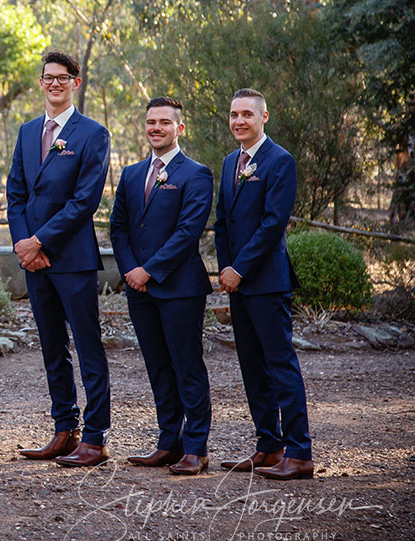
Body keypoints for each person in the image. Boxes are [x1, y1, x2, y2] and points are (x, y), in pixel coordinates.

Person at [6, 50, 111, 467]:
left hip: (72, 259)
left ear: (75, 83)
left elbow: (85, 201)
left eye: (62, 78)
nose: (54, 83)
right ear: (41, 82)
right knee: (51, 347)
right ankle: (63, 430)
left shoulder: (93, 133)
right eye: (48, 77)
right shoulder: (28, 131)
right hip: (34, 261)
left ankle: (96, 436)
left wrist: (41, 242)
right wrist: (22, 244)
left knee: (87, 347)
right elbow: (15, 193)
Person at [214, 88, 314, 480]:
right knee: (252, 367)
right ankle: (269, 446)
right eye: (234, 114)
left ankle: (300, 452)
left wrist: (240, 268)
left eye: (247, 115)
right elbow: (223, 222)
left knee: (279, 366)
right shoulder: (228, 163)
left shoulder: (280, 161)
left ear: (264, 118)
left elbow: (273, 224)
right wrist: (226, 272)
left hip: (267, 281)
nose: (239, 121)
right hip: (237, 283)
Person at [109, 97, 213, 476]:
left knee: (186, 366)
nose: (156, 128)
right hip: (139, 289)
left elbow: (189, 232)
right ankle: (168, 442)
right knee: (157, 367)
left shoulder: (196, 174)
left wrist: (149, 270)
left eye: (164, 123)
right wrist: (130, 271)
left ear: (179, 128)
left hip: (180, 287)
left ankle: (196, 446)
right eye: (151, 122)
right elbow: (117, 227)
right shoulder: (133, 174)